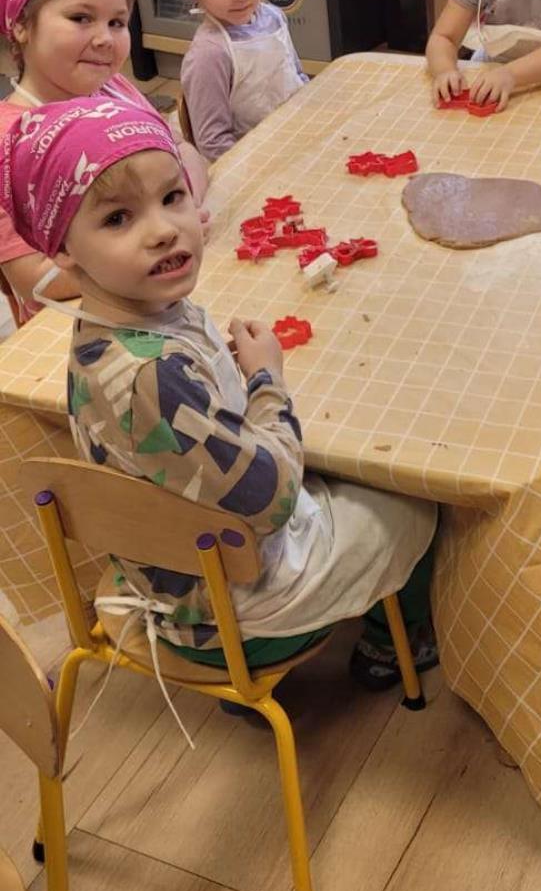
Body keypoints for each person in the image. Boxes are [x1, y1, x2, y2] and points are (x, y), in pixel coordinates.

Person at [0, 97, 438, 691]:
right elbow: (274, 498)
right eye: (118, 218)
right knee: (414, 498)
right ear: (61, 250)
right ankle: (392, 645)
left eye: (172, 197)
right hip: (228, 617)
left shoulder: (110, 325)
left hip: (172, 570)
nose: (163, 230)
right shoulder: (155, 377)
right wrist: (266, 382)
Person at [0, 0, 208, 322]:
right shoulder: (8, 142)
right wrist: (163, 245)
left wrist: (182, 211)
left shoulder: (115, 91)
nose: (105, 39)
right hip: (79, 328)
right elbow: (33, 280)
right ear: (21, 24)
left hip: (162, 295)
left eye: (117, 22)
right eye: (81, 18)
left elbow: (183, 152)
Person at [154, 0, 306, 161]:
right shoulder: (210, 54)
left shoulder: (273, 17)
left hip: (290, 136)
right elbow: (212, 142)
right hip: (249, 159)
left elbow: (298, 77)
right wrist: (261, 164)